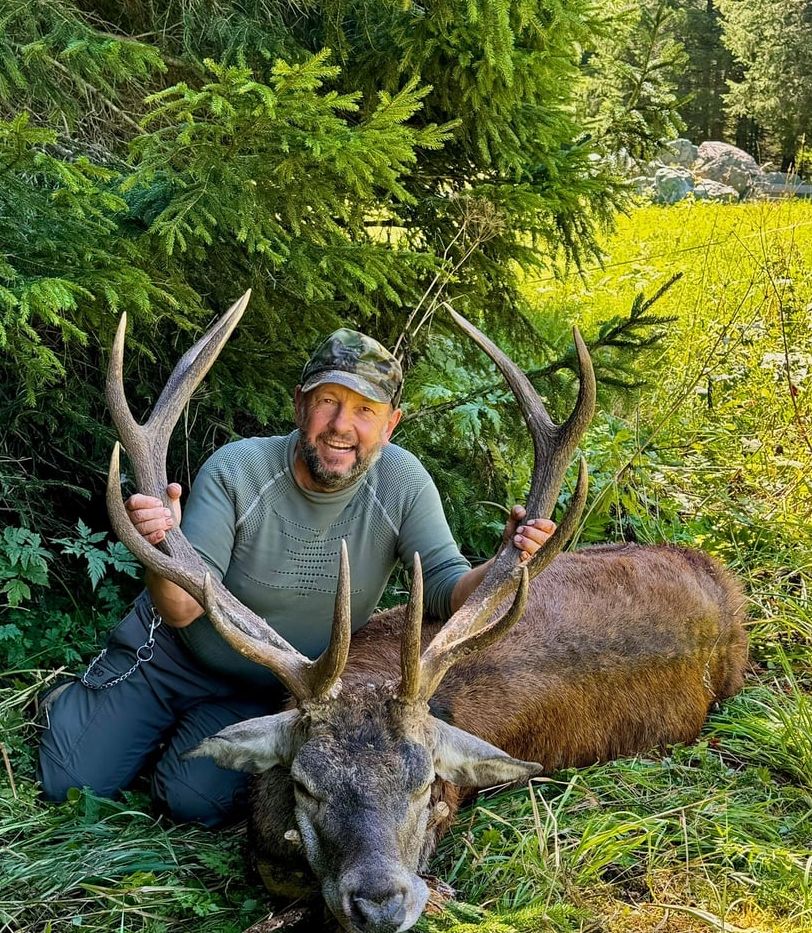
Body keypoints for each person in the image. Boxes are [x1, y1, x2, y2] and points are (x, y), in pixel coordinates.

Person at [38, 328, 555, 826]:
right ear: (300, 404)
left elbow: (449, 591)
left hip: (273, 690)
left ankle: (149, 740)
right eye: (328, 401)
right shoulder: (239, 470)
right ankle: (80, 705)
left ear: (390, 423)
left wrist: (508, 558)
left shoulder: (402, 484)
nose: (341, 425)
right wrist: (160, 544)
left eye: (364, 411)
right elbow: (180, 609)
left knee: (191, 802)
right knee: (70, 784)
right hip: (171, 659)